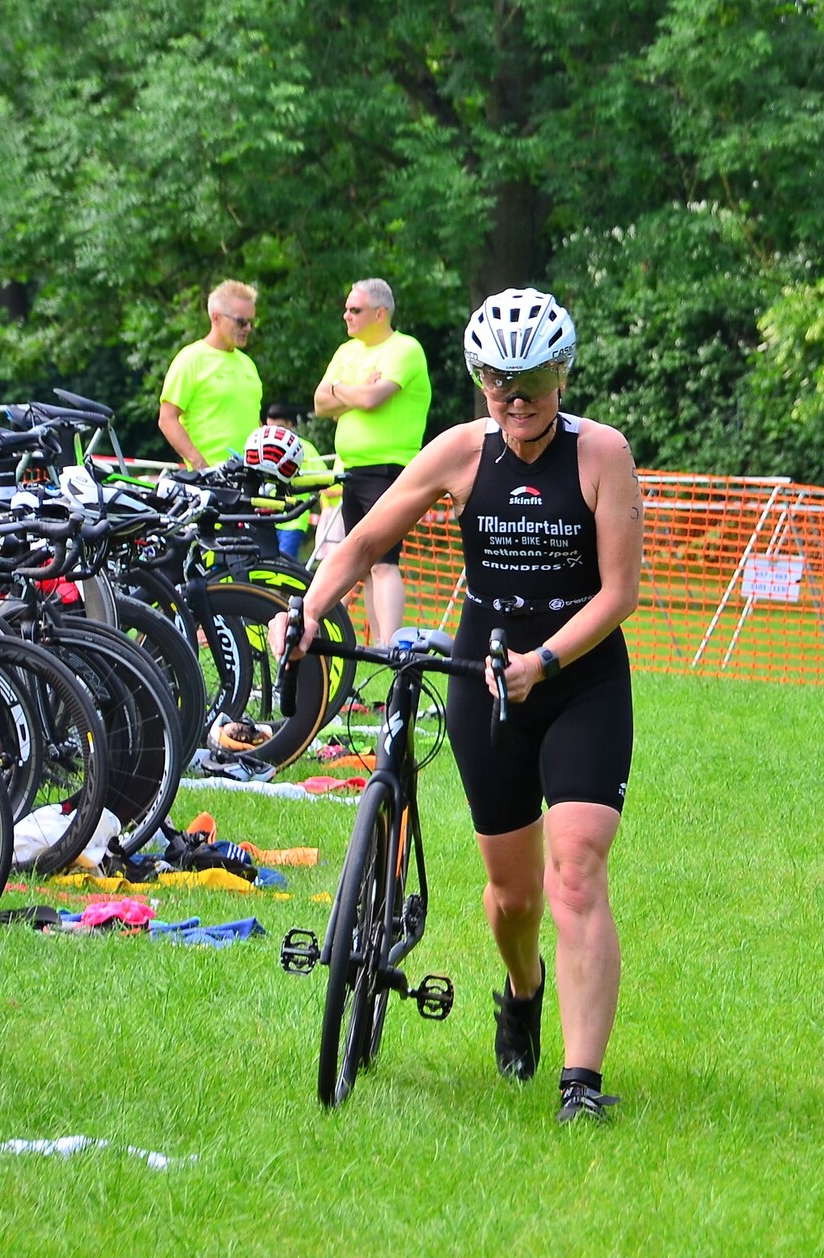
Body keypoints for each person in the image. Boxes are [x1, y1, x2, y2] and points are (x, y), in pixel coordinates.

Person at [275, 288, 642, 1123]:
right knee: (510, 897)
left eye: (534, 380)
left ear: (564, 372)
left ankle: (581, 1085)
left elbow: (619, 592)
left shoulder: (601, 454)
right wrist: (307, 607)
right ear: (478, 381)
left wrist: (544, 660)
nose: (516, 401)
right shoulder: (460, 452)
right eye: (496, 383)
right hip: (483, 681)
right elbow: (367, 538)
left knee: (576, 867)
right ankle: (522, 988)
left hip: (577, 678)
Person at [311, 278, 432, 644]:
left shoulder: (405, 349)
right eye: (347, 308)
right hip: (350, 470)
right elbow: (319, 404)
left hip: (389, 469)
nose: (346, 315)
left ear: (380, 313)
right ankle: (376, 647)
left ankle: (391, 646)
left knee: (383, 562)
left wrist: (341, 392)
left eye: (355, 309)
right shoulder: (346, 352)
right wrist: (353, 389)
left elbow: (372, 400)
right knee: (362, 565)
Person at [158, 280, 261, 472]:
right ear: (216, 318)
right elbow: (167, 418)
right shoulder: (191, 359)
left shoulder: (248, 364)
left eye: (252, 322)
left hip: (250, 479)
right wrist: (200, 465)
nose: (247, 328)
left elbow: (253, 421)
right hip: (211, 481)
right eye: (241, 321)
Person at [263, 402, 313, 560]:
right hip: (267, 520)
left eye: (279, 427)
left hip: (294, 520)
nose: (275, 433)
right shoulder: (263, 448)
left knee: (284, 565)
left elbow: (321, 476)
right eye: (270, 428)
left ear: (290, 425)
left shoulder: (304, 448)